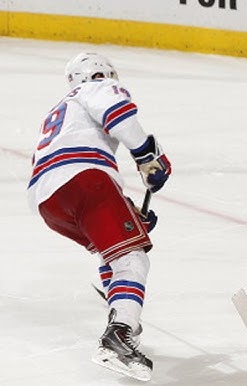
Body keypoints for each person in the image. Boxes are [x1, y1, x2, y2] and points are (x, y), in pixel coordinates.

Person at [27, 52, 171, 381]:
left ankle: (119, 313)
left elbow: (62, 167)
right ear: (101, 73)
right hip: (84, 180)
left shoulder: (59, 109)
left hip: (47, 201)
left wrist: (126, 213)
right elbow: (117, 114)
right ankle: (119, 333)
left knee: (115, 251)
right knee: (132, 259)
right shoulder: (97, 88)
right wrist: (147, 155)